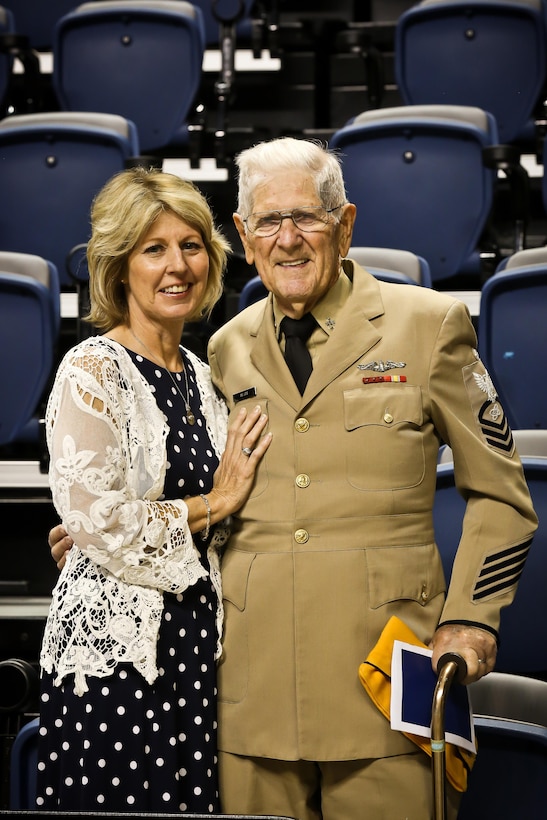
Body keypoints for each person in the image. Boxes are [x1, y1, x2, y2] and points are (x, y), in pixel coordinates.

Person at [50, 138, 538, 819]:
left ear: (344, 225)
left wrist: (467, 618)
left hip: (385, 679)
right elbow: (199, 484)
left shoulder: (429, 325)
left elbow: (502, 496)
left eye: (306, 218)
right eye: (268, 223)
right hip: (248, 691)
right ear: (245, 239)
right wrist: (104, 529)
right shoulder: (224, 348)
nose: (288, 240)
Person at [37, 166, 271, 814]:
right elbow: (106, 520)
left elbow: (120, 528)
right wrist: (209, 504)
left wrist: (107, 535)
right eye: (154, 248)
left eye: (190, 245)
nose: (177, 265)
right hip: (118, 664)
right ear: (119, 267)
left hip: (193, 652)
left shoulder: (203, 376)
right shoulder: (92, 367)